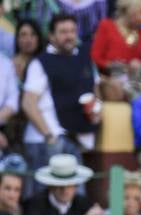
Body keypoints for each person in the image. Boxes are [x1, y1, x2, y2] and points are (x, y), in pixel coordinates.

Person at [21, 14, 100, 174]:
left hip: (77, 139)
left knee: (74, 196)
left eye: (72, 31)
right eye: (63, 32)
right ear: (51, 36)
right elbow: (28, 103)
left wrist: (97, 110)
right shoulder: (40, 62)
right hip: (47, 140)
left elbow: (95, 90)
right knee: (42, 195)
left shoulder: (84, 57)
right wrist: (50, 136)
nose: (69, 36)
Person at [24, 153, 108, 215]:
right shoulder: (35, 203)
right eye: (59, 185)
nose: (65, 190)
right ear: (51, 186)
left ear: (76, 186)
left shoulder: (82, 202)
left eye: (69, 185)